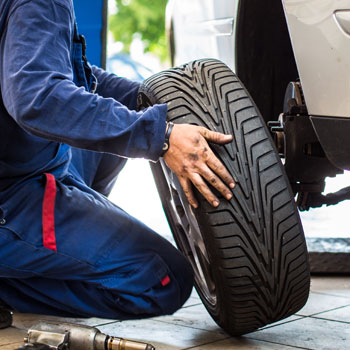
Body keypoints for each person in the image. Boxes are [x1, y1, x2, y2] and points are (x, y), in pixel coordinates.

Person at [0, 0, 235, 319]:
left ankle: (58, 249)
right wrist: (161, 137)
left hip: (17, 168)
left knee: (104, 145)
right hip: (10, 196)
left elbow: (57, 69)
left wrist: (154, 101)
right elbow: (39, 99)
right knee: (163, 279)